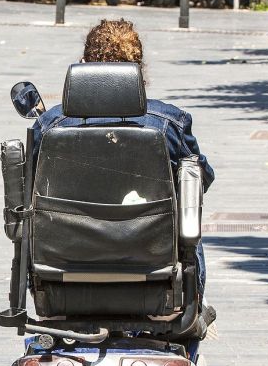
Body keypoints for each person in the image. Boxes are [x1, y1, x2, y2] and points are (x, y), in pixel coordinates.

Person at [29, 18, 216, 324]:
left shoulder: (50, 126)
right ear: (138, 70)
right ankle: (194, 300)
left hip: (64, 265)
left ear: (84, 65)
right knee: (187, 212)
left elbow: (30, 188)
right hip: (152, 261)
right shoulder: (167, 123)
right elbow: (202, 179)